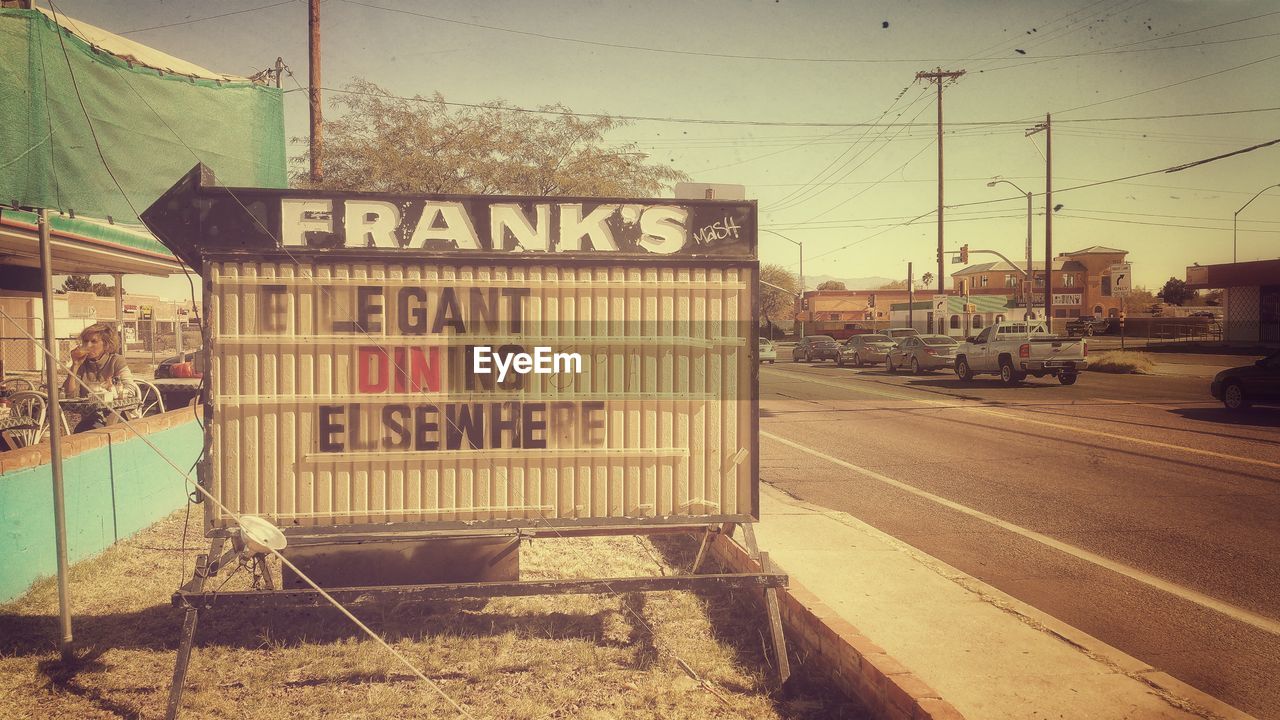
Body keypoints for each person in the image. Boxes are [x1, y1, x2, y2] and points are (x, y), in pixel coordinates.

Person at [62, 322, 135, 433]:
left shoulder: (116, 360)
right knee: (82, 431)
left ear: (106, 345)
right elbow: (70, 394)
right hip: (91, 421)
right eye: (85, 341)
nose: (88, 345)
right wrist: (75, 365)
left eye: (94, 341)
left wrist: (109, 389)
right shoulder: (82, 364)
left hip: (120, 417)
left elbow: (130, 390)